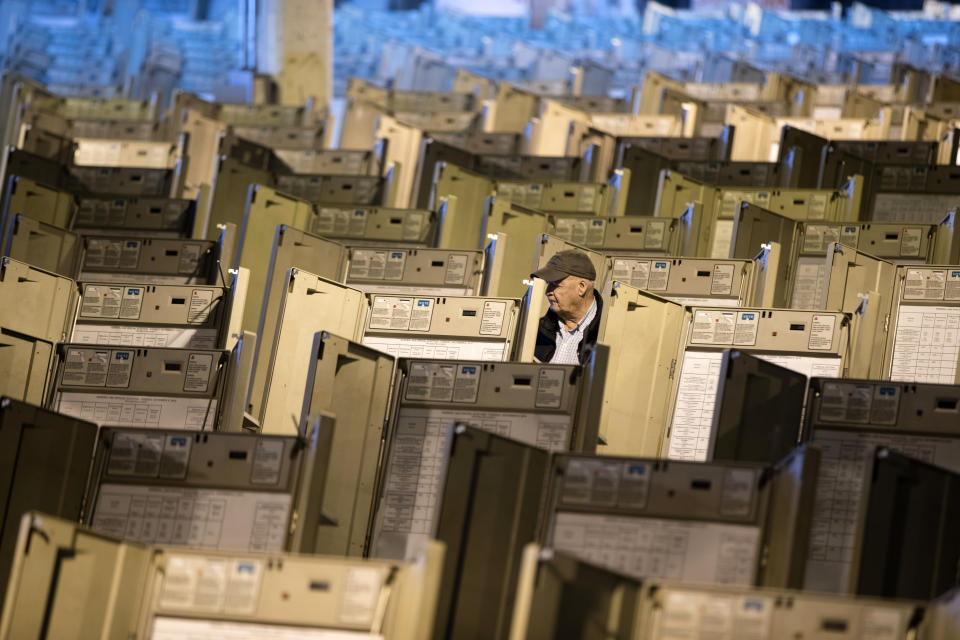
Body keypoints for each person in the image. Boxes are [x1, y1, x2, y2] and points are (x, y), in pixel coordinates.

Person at [530, 250, 602, 365]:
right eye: (548, 284)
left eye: (555, 285)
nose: (547, 292)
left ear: (581, 287)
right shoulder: (537, 331)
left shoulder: (606, 334)